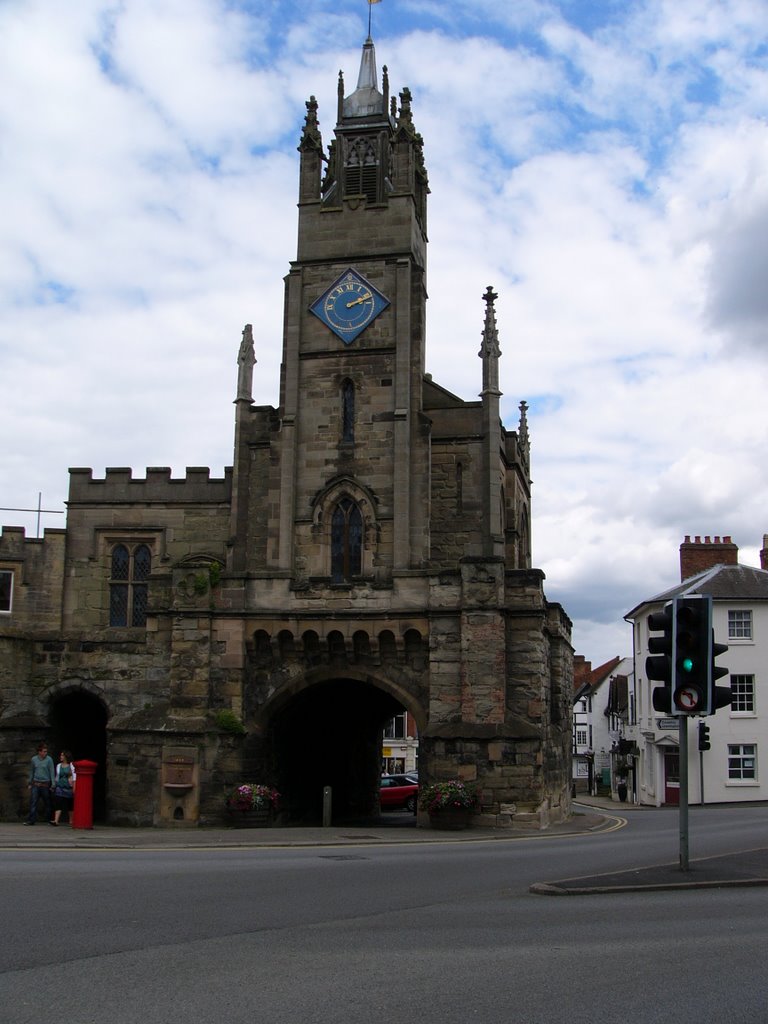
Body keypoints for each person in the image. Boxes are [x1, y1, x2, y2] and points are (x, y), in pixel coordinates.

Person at [24, 742, 55, 825]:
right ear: (39, 752)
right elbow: (32, 771)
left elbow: (52, 772)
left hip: (45, 784)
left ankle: (49, 820)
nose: (45, 753)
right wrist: (30, 783)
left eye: (46, 751)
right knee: (33, 802)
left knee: (48, 803)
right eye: (44, 751)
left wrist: (53, 784)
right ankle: (31, 820)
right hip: (36, 784)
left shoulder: (49, 759)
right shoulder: (34, 759)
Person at [51, 750, 77, 826]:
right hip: (60, 787)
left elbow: (74, 777)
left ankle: (71, 821)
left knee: (70, 805)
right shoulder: (58, 765)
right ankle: (56, 821)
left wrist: (74, 787)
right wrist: (54, 785)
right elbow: (57, 777)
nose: (61, 757)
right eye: (61, 755)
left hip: (69, 787)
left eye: (62, 755)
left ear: (66, 757)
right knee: (58, 803)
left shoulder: (71, 765)